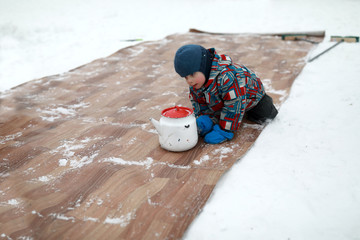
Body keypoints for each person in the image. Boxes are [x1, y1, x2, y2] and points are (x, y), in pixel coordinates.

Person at [174, 44, 278, 144]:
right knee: (218, 108)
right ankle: (212, 119)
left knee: (266, 115)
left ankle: (226, 128)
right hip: (225, 98)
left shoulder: (227, 77)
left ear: (203, 67)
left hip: (253, 98)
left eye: (192, 74)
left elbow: (235, 104)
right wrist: (205, 117)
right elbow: (198, 101)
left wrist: (224, 129)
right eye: (186, 77)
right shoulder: (197, 82)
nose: (189, 81)